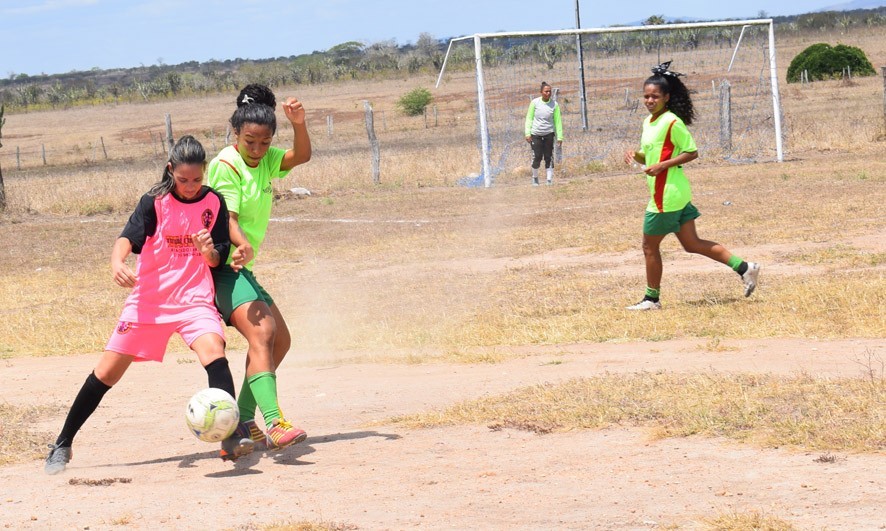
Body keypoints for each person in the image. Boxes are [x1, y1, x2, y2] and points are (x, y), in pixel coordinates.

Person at [45, 136, 253, 475]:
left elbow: (217, 260)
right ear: (171, 170)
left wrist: (206, 251)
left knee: (214, 351)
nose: (189, 186)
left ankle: (228, 437)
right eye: (183, 179)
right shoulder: (154, 201)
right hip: (149, 303)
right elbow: (128, 237)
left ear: (204, 174)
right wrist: (117, 262)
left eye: (197, 179)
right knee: (106, 373)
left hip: (192, 300)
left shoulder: (213, 203)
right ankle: (63, 443)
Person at [207, 84, 312, 450]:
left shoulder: (267, 160)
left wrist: (299, 123)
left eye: (264, 142)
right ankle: (274, 422)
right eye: (249, 141)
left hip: (240, 266)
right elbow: (227, 217)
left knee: (279, 339)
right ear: (236, 133)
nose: (256, 149)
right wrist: (243, 243)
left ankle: (241, 421)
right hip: (218, 263)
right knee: (263, 332)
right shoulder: (225, 164)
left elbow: (300, 156)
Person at [622, 61, 760, 311]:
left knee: (648, 246)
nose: (649, 100)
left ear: (666, 97)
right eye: (646, 96)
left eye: (654, 96)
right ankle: (745, 268)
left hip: (667, 195)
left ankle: (651, 299)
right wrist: (636, 155)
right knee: (692, 244)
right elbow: (650, 156)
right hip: (675, 194)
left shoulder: (672, 122)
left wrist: (663, 166)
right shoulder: (648, 122)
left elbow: (691, 152)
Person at [524, 81, 563, 186]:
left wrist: (560, 137)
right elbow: (529, 118)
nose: (548, 93)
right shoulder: (535, 103)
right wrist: (527, 133)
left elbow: (558, 122)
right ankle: (535, 178)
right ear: (541, 92)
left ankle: (549, 180)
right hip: (536, 134)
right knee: (537, 156)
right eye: (546, 91)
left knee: (549, 157)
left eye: (549, 91)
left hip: (549, 134)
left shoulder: (554, 105)